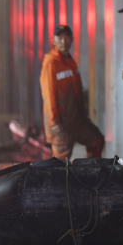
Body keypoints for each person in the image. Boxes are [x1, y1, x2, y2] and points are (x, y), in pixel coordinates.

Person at [40, 25, 105, 159]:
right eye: (60, 38)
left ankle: (88, 173)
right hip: (61, 123)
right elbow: (49, 95)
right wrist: (54, 123)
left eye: (66, 37)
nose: (63, 41)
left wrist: (83, 115)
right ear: (54, 41)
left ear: (72, 40)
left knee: (96, 140)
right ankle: (57, 180)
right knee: (59, 164)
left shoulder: (70, 61)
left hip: (76, 120)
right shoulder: (51, 63)